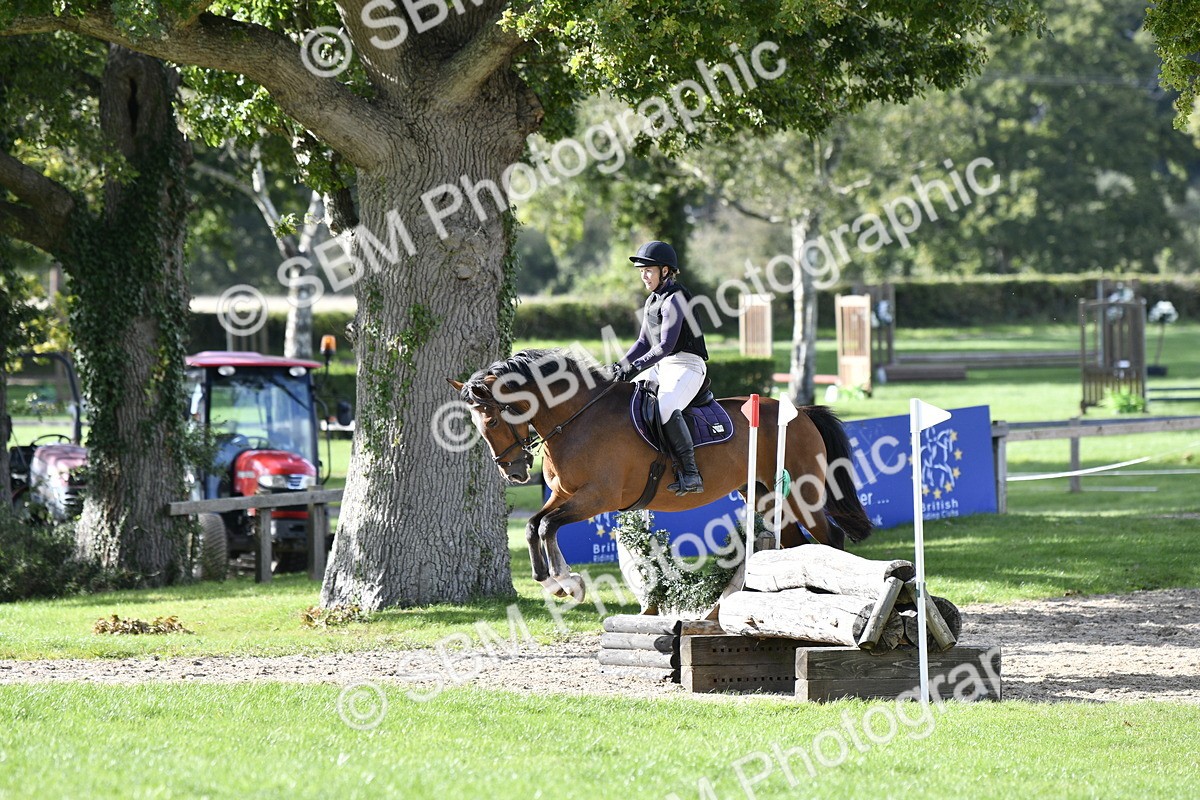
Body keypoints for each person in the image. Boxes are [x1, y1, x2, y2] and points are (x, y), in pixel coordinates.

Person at [612, 241, 709, 495]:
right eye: (641, 271)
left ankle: (691, 472)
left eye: (648, 271)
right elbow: (643, 342)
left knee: (665, 406)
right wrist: (620, 366)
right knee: (624, 395)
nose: (643, 276)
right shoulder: (652, 300)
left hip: (688, 364)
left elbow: (665, 345)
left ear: (665, 271)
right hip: (663, 365)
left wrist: (635, 366)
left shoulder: (675, 299)